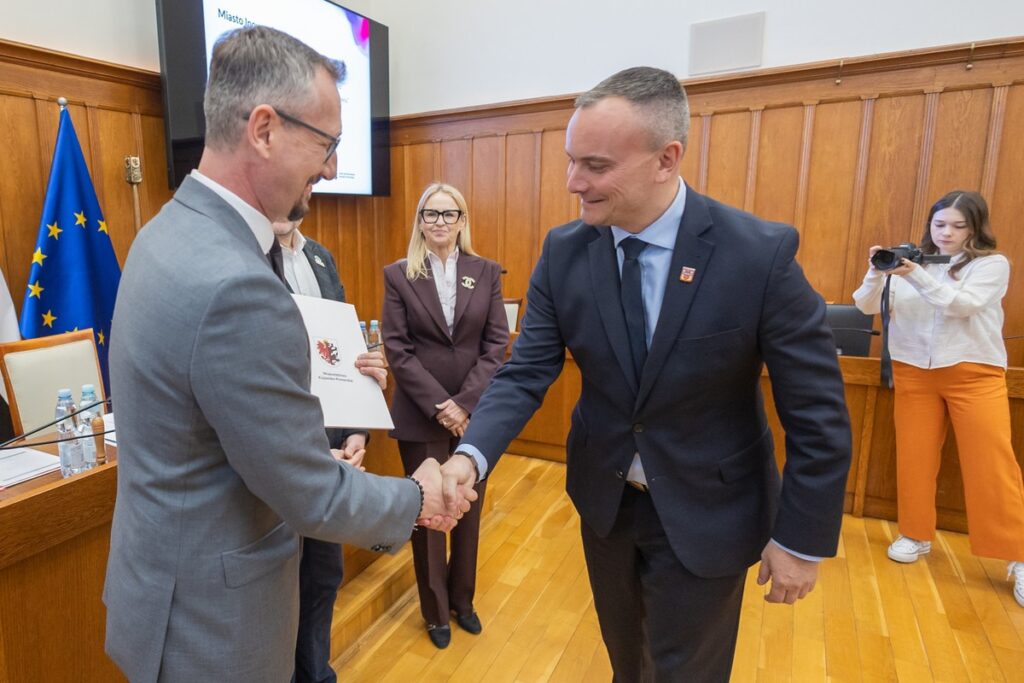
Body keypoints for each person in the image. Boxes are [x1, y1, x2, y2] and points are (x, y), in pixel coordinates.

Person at [437, 66, 853, 681]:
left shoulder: (757, 255)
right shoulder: (565, 250)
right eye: (571, 161)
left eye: (596, 166)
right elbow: (526, 372)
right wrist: (468, 457)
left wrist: (800, 540)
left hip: (711, 509)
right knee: (627, 663)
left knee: (687, 672)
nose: (574, 183)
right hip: (607, 506)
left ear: (667, 159)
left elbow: (817, 412)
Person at [103, 26, 473, 682]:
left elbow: (206, 437)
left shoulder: (164, 233)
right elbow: (310, 497)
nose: (331, 167)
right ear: (265, 130)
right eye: (326, 144)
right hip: (213, 629)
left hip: (162, 593)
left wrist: (296, 451)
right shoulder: (237, 283)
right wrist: (417, 497)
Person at [853, 190, 1024, 608]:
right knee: (915, 457)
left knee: (992, 463)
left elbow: (962, 306)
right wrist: (879, 271)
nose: (946, 233)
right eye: (939, 224)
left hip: (973, 373)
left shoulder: (990, 265)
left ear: (975, 228)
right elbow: (864, 306)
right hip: (914, 371)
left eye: (958, 226)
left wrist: (915, 275)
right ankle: (914, 533)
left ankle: (1018, 557)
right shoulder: (912, 262)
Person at [382, 183, 509, 648]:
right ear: (419, 222)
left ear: (462, 219)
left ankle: (463, 601)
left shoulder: (487, 271)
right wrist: (442, 405)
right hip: (420, 414)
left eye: (447, 213)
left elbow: (497, 345)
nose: (439, 221)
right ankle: (435, 611)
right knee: (431, 514)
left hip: (476, 417)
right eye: (429, 214)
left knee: (468, 513)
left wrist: (466, 404)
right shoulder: (399, 275)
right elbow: (397, 348)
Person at [271, 216, 369, 683]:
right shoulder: (245, 260)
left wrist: (357, 429)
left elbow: (345, 353)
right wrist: (306, 451)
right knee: (279, 589)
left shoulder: (320, 257)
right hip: (279, 454)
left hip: (332, 450)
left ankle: (316, 675)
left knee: (323, 577)